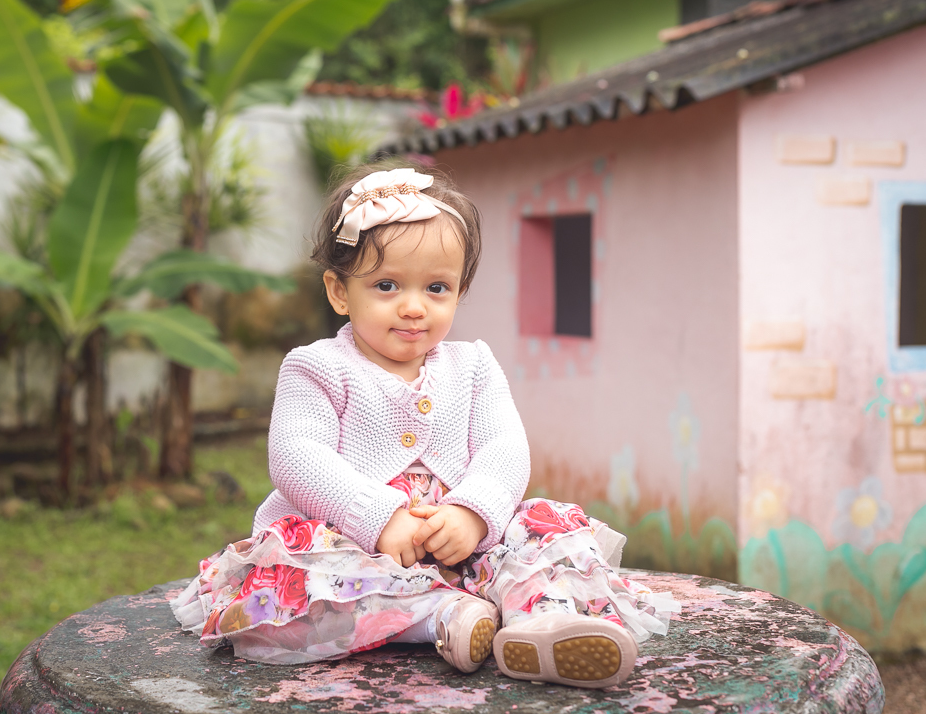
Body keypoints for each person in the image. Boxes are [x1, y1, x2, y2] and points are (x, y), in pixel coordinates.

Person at [170, 163, 677, 688]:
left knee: (543, 533)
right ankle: (441, 617)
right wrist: (380, 518)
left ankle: (540, 621)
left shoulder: (474, 365)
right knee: (306, 582)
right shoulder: (316, 366)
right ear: (340, 292)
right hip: (354, 546)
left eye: (437, 287)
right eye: (386, 285)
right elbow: (297, 455)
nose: (414, 307)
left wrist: (474, 511)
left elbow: (505, 446)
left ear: (460, 291)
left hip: (465, 542)